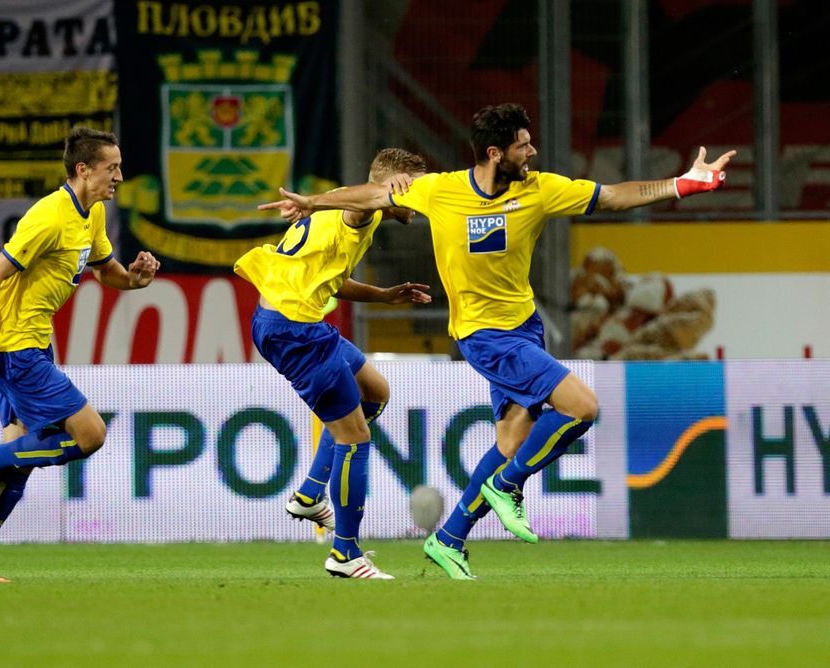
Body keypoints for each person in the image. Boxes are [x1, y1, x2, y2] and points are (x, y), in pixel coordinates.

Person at [259, 103, 736, 580]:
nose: (533, 151)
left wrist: (684, 183)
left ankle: (449, 537)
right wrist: (312, 201)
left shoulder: (541, 189)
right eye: (523, 145)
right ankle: (503, 487)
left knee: (509, 439)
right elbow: (370, 195)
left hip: (525, 327)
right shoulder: (441, 191)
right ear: (495, 153)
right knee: (582, 408)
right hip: (484, 336)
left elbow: (612, 196)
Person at [0, 127, 160, 582]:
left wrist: (134, 279)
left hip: (31, 342)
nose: (119, 177)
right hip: (15, 347)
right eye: (112, 168)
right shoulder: (49, 216)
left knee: (21, 460)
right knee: (91, 435)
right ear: (83, 170)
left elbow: (105, 270)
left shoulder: (92, 213)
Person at [235, 148, 431, 579]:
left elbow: (332, 279)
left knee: (375, 393)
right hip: (293, 329)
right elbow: (360, 205)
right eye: (415, 188)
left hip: (290, 321)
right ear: (392, 186)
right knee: (354, 438)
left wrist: (383, 296)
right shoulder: (357, 210)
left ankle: (309, 495)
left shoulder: (350, 206)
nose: (422, 198)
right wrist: (313, 201)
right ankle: (345, 554)